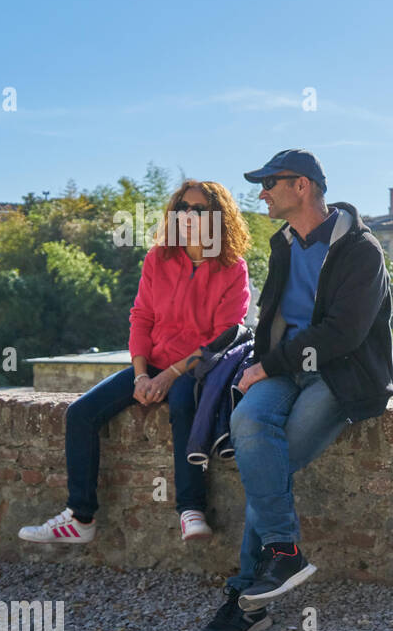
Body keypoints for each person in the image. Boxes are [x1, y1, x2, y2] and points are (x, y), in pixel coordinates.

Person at [198, 149, 393, 631]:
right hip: (284, 370)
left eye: (269, 183)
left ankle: (244, 600)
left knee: (270, 465)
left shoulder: (361, 250)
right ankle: (284, 553)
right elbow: (273, 317)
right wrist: (259, 365)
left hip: (339, 375)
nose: (261, 193)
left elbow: (342, 335)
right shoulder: (283, 244)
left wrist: (270, 364)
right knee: (249, 427)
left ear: (301, 186)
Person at [18, 181, 251, 545]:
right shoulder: (158, 259)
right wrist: (142, 375)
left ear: (217, 217)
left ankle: (191, 510)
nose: (189, 216)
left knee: (182, 401)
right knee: (80, 413)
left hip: (198, 369)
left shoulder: (232, 269)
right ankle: (81, 518)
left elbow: (220, 339)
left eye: (199, 210)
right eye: (183, 209)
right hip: (153, 363)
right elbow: (141, 319)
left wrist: (171, 376)